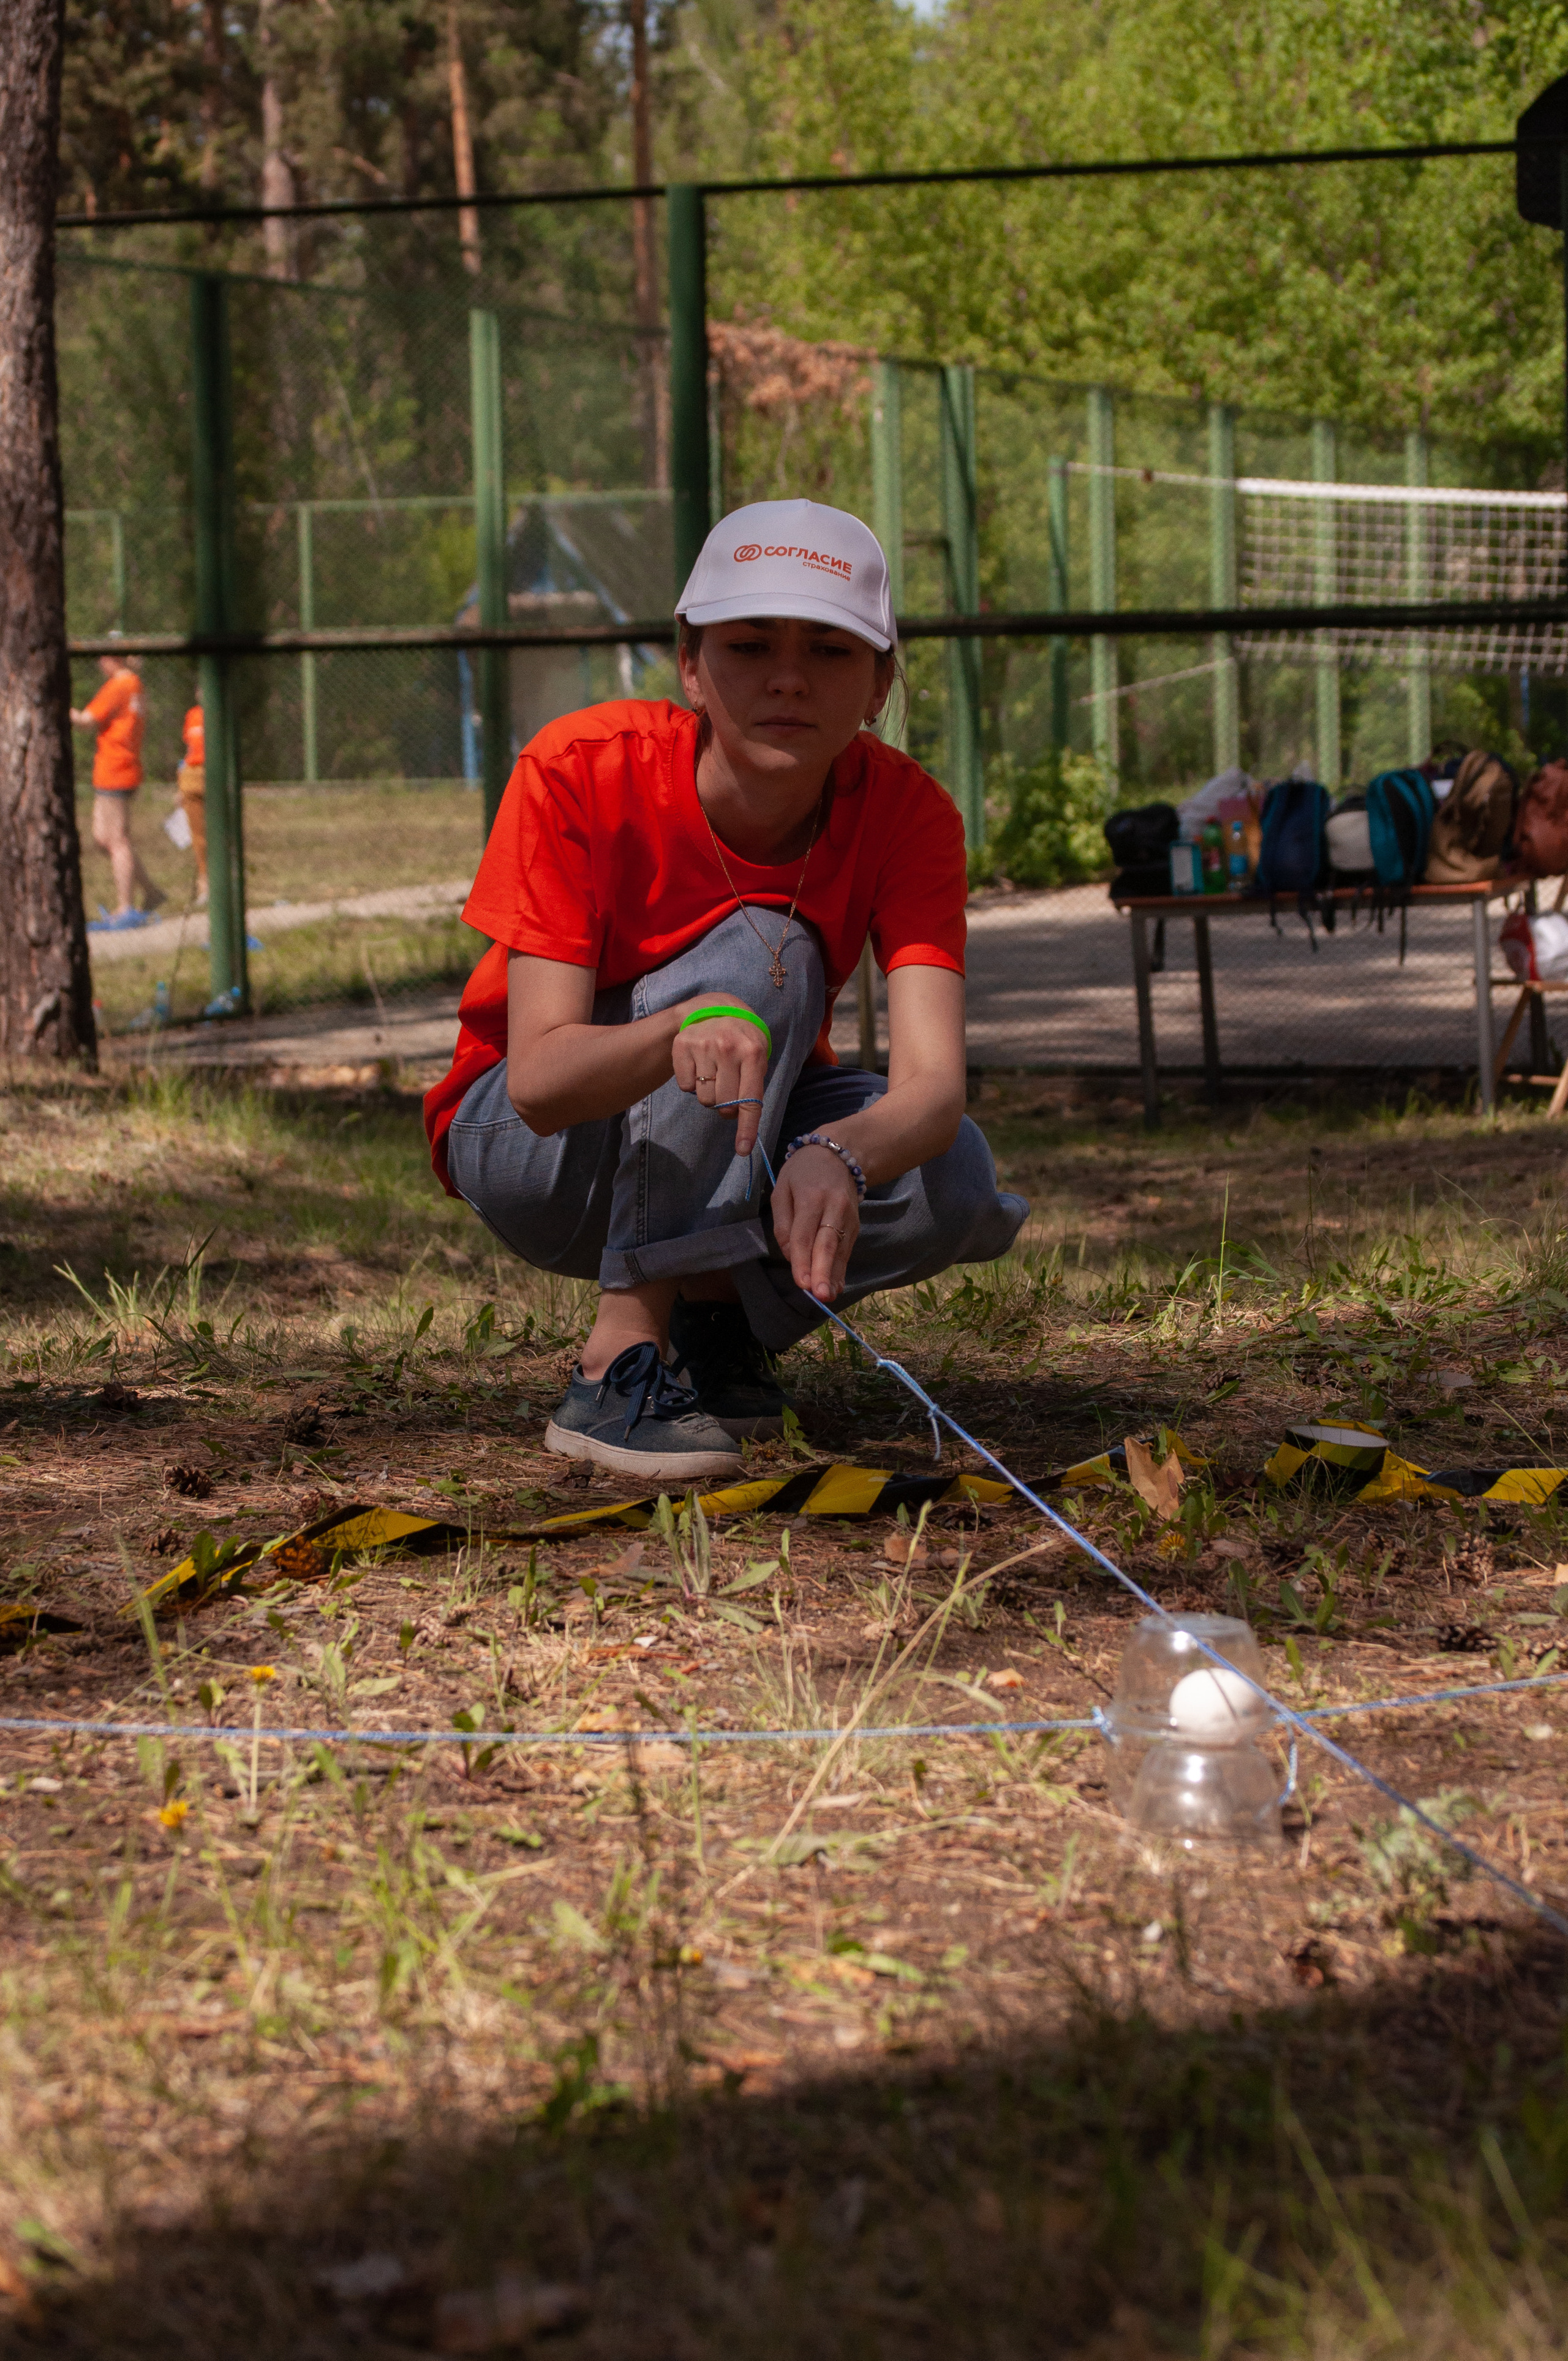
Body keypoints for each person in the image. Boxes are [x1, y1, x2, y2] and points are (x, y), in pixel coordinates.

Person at [424, 497, 1028, 1483]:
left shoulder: (911, 812)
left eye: (832, 651)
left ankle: (709, 1322)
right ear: (691, 664)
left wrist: (838, 1150)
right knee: (761, 962)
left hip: (740, 1134)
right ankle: (617, 1362)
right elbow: (534, 1080)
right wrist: (680, 1032)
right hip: (532, 1149)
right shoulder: (578, 769)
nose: (789, 678)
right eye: (750, 646)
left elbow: (931, 1087)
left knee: (952, 1174)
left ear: (880, 683)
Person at [70, 649, 164, 931]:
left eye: (103, 656)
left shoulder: (119, 685)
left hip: (115, 768)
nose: (99, 662)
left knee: (117, 840)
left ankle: (127, 906)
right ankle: (151, 891)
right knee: (103, 838)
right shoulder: (134, 684)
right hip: (120, 767)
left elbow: (86, 720)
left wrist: (56, 702)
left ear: (114, 658)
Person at [176, 687, 209, 905]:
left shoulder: (220, 714)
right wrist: (180, 783)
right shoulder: (192, 715)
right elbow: (190, 750)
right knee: (198, 837)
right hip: (192, 775)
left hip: (211, 773)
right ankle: (205, 885)